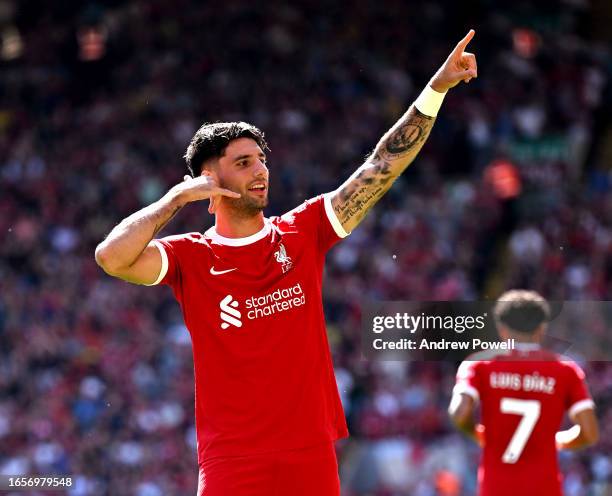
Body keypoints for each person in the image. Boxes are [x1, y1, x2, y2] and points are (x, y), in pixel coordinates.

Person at [95, 30, 478, 496]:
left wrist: (435, 90)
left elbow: (381, 168)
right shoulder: (189, 255)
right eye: (243, 163)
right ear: (209, 180)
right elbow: (111, 257)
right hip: (231, 458)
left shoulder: (304, 229)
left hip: (309, 450)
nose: (260, 170)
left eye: (261, 159)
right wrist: (175, 199)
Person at [449, 290, 599, 496]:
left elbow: (460, 413)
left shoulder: (479, 363)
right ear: (541, 329)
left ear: (502, 329)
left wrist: (477, 433)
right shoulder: (565, 369)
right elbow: (589, 432)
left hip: (496, 488)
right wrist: (558, 441)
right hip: (545, 489)